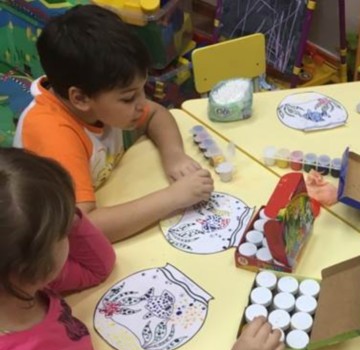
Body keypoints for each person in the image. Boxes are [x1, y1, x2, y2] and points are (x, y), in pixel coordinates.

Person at [0, 148, 284, 350]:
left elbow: (97, 267)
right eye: (64, 234)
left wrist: (59, 212)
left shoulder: (15, 285)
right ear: (30, 267)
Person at [13, 4, 213, 243]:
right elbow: (83, 229)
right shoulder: (54, 134)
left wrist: (174, 156)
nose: (142, 103)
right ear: (80, 98)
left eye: (142, 89)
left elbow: (156, 114)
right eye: (129, 97)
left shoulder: (100, 97)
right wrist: (173, 197)